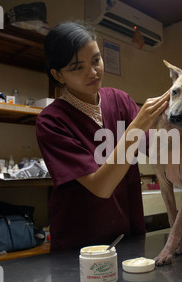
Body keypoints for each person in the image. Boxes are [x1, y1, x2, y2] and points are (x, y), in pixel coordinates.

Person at [36, 22, 169, 251]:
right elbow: (101, 186)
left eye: (96, 60)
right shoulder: (52, 122)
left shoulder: (120, 100)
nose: (93, 72)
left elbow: (159, 151)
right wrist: (137, 126)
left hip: (127, 236)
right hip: (79, 245)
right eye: (78, 67)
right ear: (58, 74)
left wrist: (178, 124)